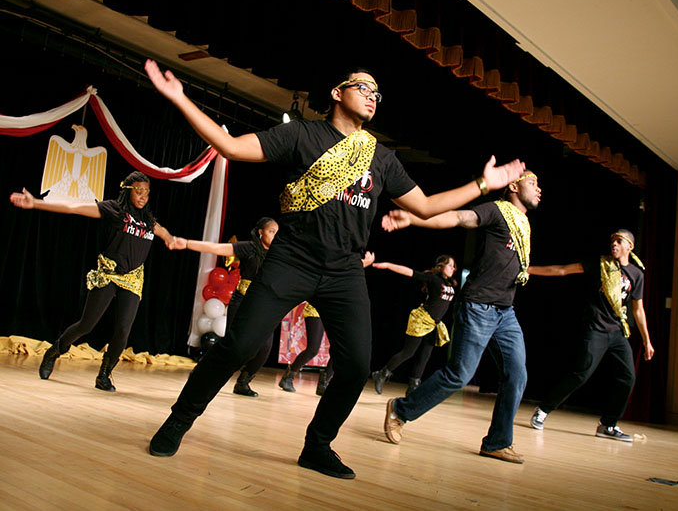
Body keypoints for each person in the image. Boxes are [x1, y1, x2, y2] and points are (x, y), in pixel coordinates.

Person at [143, 58, 525, 479]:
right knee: (235, 346)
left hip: (344, 270)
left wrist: (483, 185)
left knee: (357, 366)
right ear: (336, 93)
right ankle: (178, 420)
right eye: (364, 87)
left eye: (378, 94)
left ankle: (318, 445)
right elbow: (232, 147)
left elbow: (426, 206)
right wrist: (179, 97)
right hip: (292, 258)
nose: (373, 97)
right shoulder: (302, 134)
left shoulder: (381, 157)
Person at [382, 171, 541, 465]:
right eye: (533, 183)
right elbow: (457, 217)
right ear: (514, 186)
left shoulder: (524, 224)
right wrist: (415, 219)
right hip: (478, 307)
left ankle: (497, 442)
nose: (539, 189)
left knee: (517, 375)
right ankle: (399, 410)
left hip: (506, 312)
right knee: (459, 375)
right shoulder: (496, 211)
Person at [9, 171, 176, 391]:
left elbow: (161, 231)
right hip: (108, 272)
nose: (143, 195)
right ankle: (55, 350)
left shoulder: (148, 220)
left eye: (146, 191)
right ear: (127, 191)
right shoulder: (114, 210)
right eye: (138, 190)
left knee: (123, 330)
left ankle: (104, 375)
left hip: (133, 278)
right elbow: (73, 208)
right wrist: (36, 203)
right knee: (86, 325)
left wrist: (171, 239)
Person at [528, 229, 654, 442]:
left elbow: (638, 310)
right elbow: (562, 271)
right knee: (581, 373)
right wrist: (529, 269)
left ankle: (608, 425)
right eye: (612, 240)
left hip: (617, 333)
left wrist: (647, 340)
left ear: (630, 247)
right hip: (595, 329)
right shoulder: (600, 264)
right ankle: (543, 409)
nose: (614, 244)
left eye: (619, 241)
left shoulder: (637, 274)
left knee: (627, 378)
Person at [174, 217, 279, 396]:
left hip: (263, 305)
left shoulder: (279, 254)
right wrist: (187, 243)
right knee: (232, 344)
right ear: (260, 232)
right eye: (271, 231)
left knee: (265, 346)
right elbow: (217, 248)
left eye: (277, 232)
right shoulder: (249, 247)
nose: (275, 235)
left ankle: (243, 381)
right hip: (242, 301)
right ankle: (203, 371)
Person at [280, 251, 375, 396]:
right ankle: (289, 376)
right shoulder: (327, 257)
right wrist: (365, 263)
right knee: (313, 348)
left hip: (336, 307)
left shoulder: (348, 256)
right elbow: (339, 269)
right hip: (316, 307)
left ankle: (324, 382)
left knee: (339, 348)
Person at [371, 254, 457, 396]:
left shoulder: (450, 284)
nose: (452, 269)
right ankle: (381, 374)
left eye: (454, 267)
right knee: (408, 352)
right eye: (450, 265)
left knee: (424, 356)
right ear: (441, 265)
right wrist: (387, 265)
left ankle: (413, 389)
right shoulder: (433, 279)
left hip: (434, 324)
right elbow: (409, 272)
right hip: (421, 319)